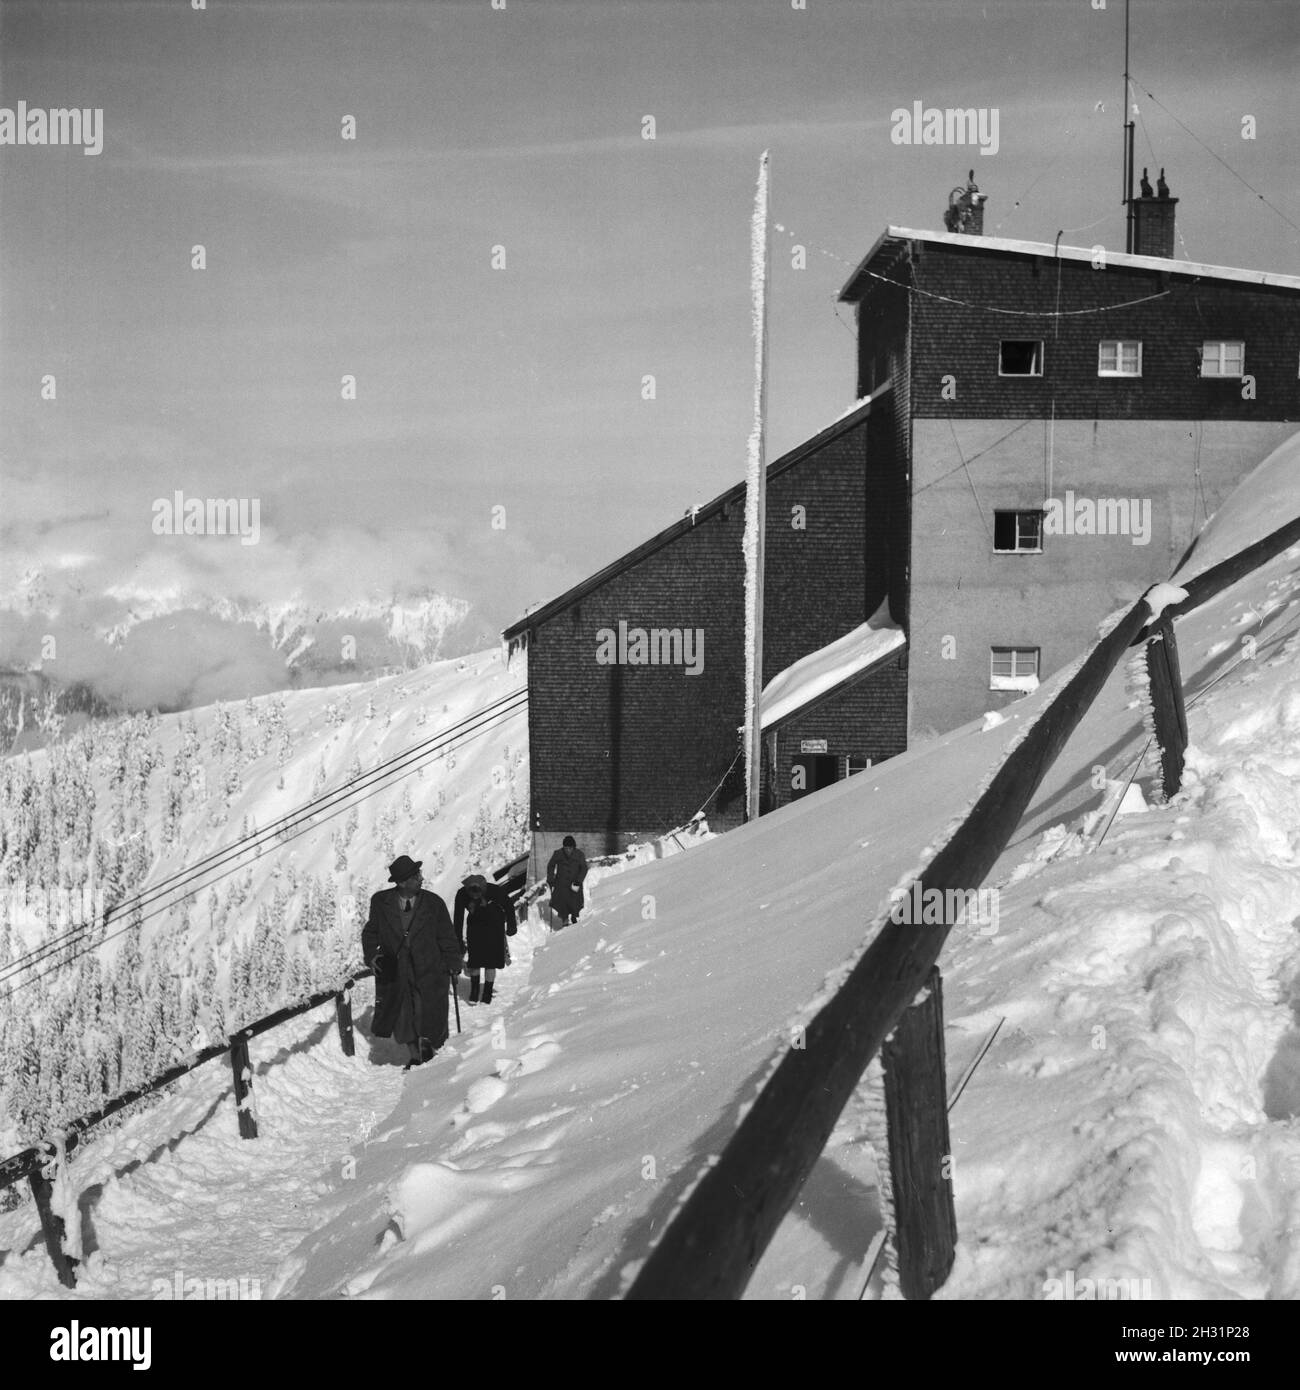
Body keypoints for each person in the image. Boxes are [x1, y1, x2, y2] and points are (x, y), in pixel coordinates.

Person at [362, 854, 463, 1070]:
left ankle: (429, 1050)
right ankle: (416, 1054)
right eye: (416, 876)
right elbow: (371, 932)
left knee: (429, 1011)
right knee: (403, 1015)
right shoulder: (381, 902)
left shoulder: (434, 903)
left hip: (430, 968)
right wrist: (372, 956)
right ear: (402, 882)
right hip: (397, 971)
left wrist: (453, 962)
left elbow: (447, 935)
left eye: (419, 874)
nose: (421, 878)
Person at [453, 873, 516, 1005]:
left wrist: (512, 925)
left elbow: (508, 905)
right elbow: (458, 917)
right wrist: (457, 938)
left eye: (478, 893)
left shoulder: (494, 891)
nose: (475, 896)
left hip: (495, 927)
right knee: (475, 960)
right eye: (472, 893)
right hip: (475, 929)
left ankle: (487, 993)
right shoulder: (462, 894)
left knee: (491, 962)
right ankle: (474, 992)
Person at [546, 835, 588, 929]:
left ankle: (574, 916)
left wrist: (579, 880)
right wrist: (550, 878)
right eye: (566, 848)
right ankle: (564, 919)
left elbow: (584, 868)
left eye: (570, 848)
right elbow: (551, 865)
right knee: (562, 902)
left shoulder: (579, 854)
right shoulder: (558, 853)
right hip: (561, 883)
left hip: (575, 882)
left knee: (575, 901)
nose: (568, 850)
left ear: (573, 847)